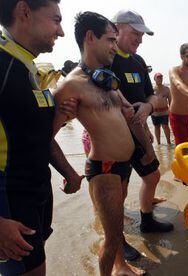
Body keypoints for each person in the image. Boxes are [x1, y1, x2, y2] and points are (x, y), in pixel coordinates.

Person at [53, 11, 144, 276]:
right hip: (104, 169)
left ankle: (121, 266)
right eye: (110, 40)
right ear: (90, 38)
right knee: (113, 234)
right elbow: (45, 137)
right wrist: (69, 173)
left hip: (123, 166)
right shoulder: (71, 87)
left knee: (116, 230)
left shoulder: (107, 80)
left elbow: (126, 112)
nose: (115, 46)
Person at [0, 1, 82, 275]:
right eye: (55, 20)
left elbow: (31, 136)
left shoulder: (29, 67)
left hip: (36, 191)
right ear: (24, 12)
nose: (60, 32)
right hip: (9, 200)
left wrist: (68, 170)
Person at [110, 10, 173, 235]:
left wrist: (148, 107)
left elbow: (152, 96)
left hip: (139, 132)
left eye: (142, 34)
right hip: (113, 138)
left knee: (153, 176)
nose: (139, 39)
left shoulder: (138, 61)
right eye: (135, 32)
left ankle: (147, 220)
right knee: (119, 190)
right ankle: (118, 240)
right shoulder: (106, 59)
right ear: (116, 28)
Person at [152, 72, 171, 145]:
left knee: (165, 126)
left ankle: (169, 142)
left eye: (161, 77)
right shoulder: (152, 89)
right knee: (156, 127)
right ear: (155, 79)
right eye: (158, 78)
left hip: (164, 112)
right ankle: (159, 143)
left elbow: (170, 100)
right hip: (155, 113)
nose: (160, 79)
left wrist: (171, 110)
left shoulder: (166, 89)